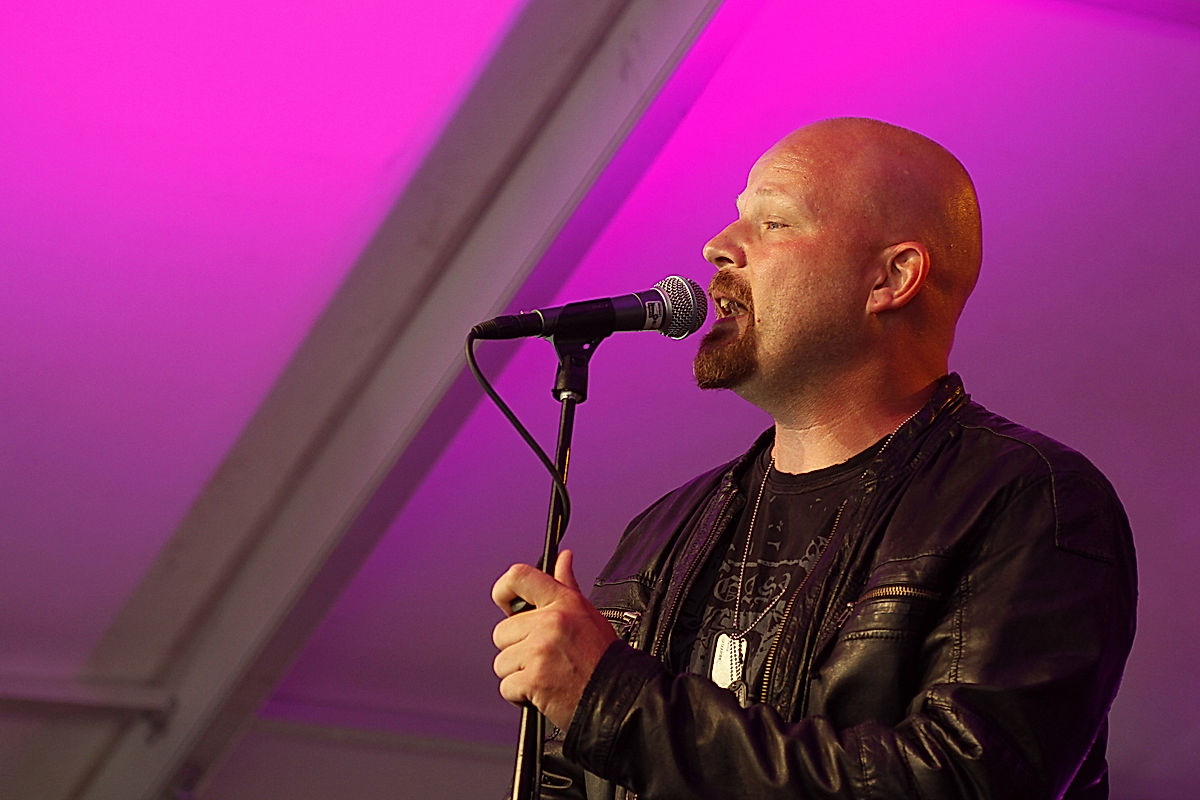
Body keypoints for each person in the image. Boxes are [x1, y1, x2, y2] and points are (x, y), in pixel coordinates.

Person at [491, 117, 1136, 799]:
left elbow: (958, 781)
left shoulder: (1026, 500)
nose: (717, 247)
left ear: (893, 277)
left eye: (773, 223)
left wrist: (615, 703)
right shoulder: (664, 530)